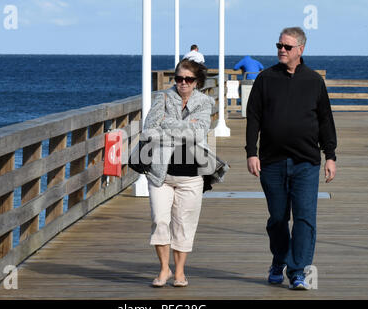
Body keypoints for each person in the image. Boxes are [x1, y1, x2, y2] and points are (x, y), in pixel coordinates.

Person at [245, 27, 337, 290]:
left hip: (306, 161)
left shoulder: (313, 81)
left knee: (305, 218)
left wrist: (330, 155)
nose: (281, 50)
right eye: (279, 45)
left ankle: (297, 271)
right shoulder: (266, 78)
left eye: (287, 46)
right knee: (277, 218)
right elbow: (254, 117)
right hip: (272, 162)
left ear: (301, 49)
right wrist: (252, 151)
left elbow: (325, 120)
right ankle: (279, 259)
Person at [141, 58, 228, 287]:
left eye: (188, 79)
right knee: (160, 220)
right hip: (161, 173)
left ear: (197, 81)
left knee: (184, 223)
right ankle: (163, 269)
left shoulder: (204, 102)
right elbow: (149, 130)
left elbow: (198, 134)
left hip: (191, 175)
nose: (182, 83)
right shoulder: (162, 97)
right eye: (178, 78)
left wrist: (167, 125)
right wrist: (182, 128)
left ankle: (179, 272)